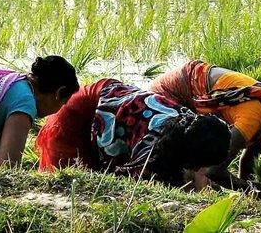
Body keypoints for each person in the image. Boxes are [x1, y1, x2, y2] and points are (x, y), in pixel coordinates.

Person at [149, 60, 261, 194]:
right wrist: (251, 190)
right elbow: (215, 171)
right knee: (183, 170)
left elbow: (248, 161)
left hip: (185, 84)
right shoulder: (253, 118)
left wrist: (249, 188)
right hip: (167, 95)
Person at [36, 78, 231, 189]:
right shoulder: (150, 146)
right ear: (191, 158)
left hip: (108, 98)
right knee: (78, 186)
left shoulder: (187, 121)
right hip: (81, 116)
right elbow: (128, 184)